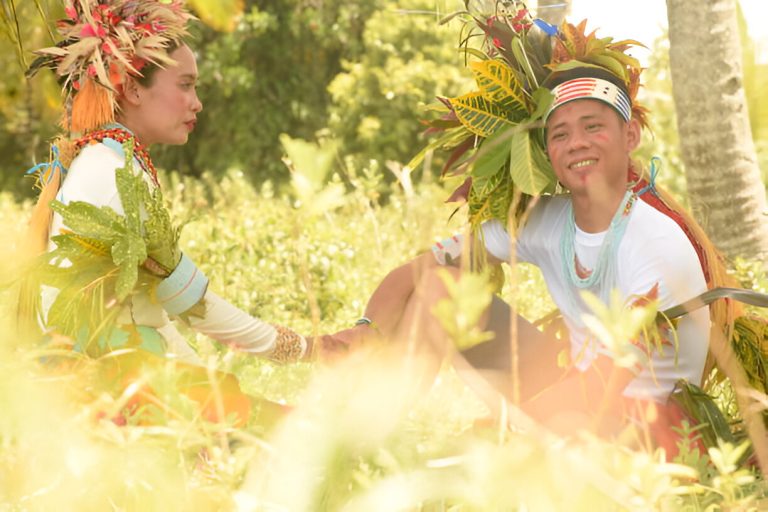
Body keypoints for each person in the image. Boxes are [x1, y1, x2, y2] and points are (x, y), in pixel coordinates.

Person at [325, 14, 737, 455]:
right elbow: (422, 270)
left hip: (643, 431)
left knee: (498, 455)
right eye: (560, 133)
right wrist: (368, 327)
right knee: (441, 288)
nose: (576, 142)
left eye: (593, 126)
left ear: (630, 135)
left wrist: (500, 435)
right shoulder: (548, 221)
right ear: (547, 153)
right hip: (572, 392)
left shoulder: (656, 243)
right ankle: (364, 439)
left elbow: (603, 387)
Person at [23, 1, 308, 369]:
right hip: (108, 377)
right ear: (132, 90)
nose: (198, 104)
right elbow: (189, 303)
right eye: (186, 86)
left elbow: (150, 313)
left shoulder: (106, 159)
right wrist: (304, 349)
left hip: (113, 366)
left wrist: (205, 380)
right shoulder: (113, 171)